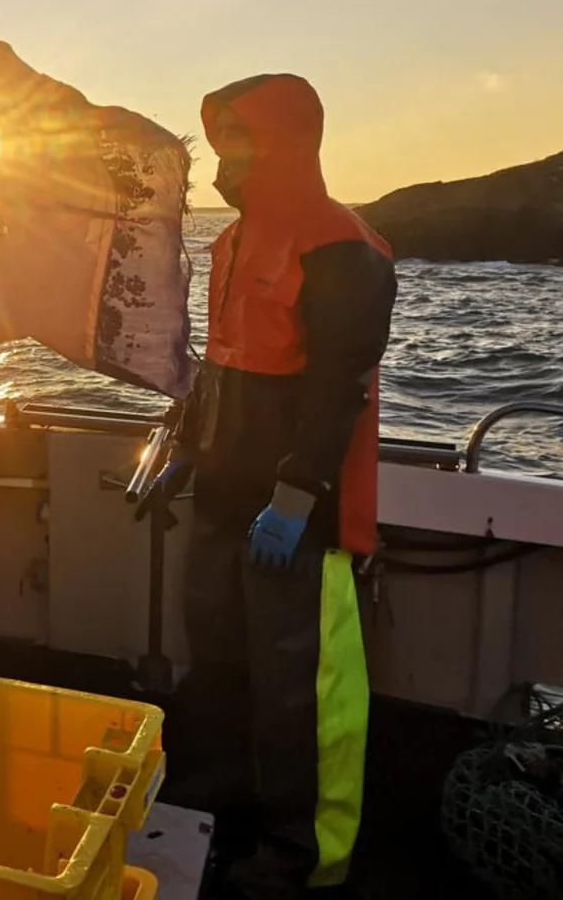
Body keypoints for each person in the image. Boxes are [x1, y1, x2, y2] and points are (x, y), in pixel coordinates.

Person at [171, 73, 396, 898]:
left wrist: (296, 499)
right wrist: (189, 449)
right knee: (219, 662)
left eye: (238, 137)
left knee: (297, 688)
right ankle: (214, 804)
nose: (223, 156)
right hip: (225, 502)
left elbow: (340, 387)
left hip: (299, 521)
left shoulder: (344, 245)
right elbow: (221, 365)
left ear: (284, 140)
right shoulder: (232, 242)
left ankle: (299, 856)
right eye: (218, 138)